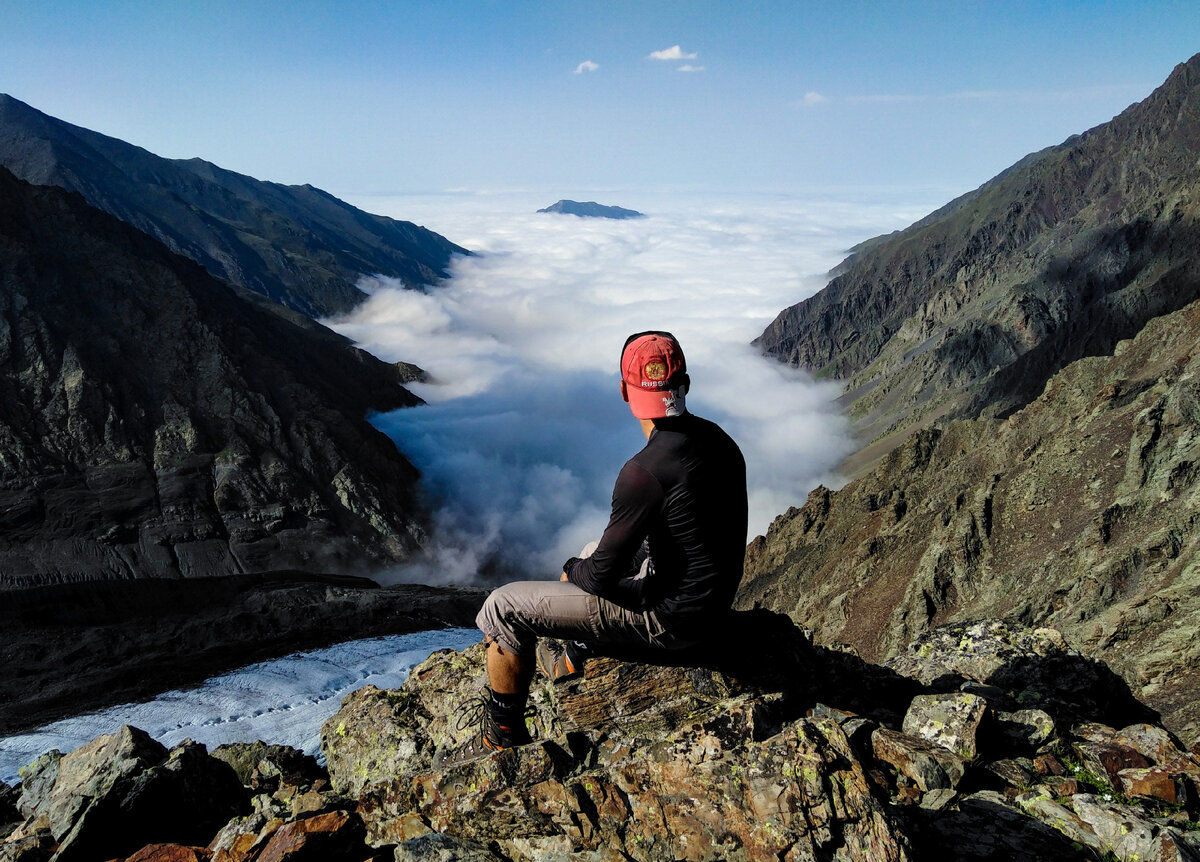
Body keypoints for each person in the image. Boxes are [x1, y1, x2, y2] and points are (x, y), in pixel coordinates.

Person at [437, 330, 748, 767]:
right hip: (710, 608)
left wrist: (571, 568)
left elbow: (600, 576)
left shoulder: (644, 472)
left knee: (502, 607)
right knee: (593, 548)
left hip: (672, 625)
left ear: (625, 391)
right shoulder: (720, 441)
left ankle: (501, 736)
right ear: (686, 385)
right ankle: (579, 648)